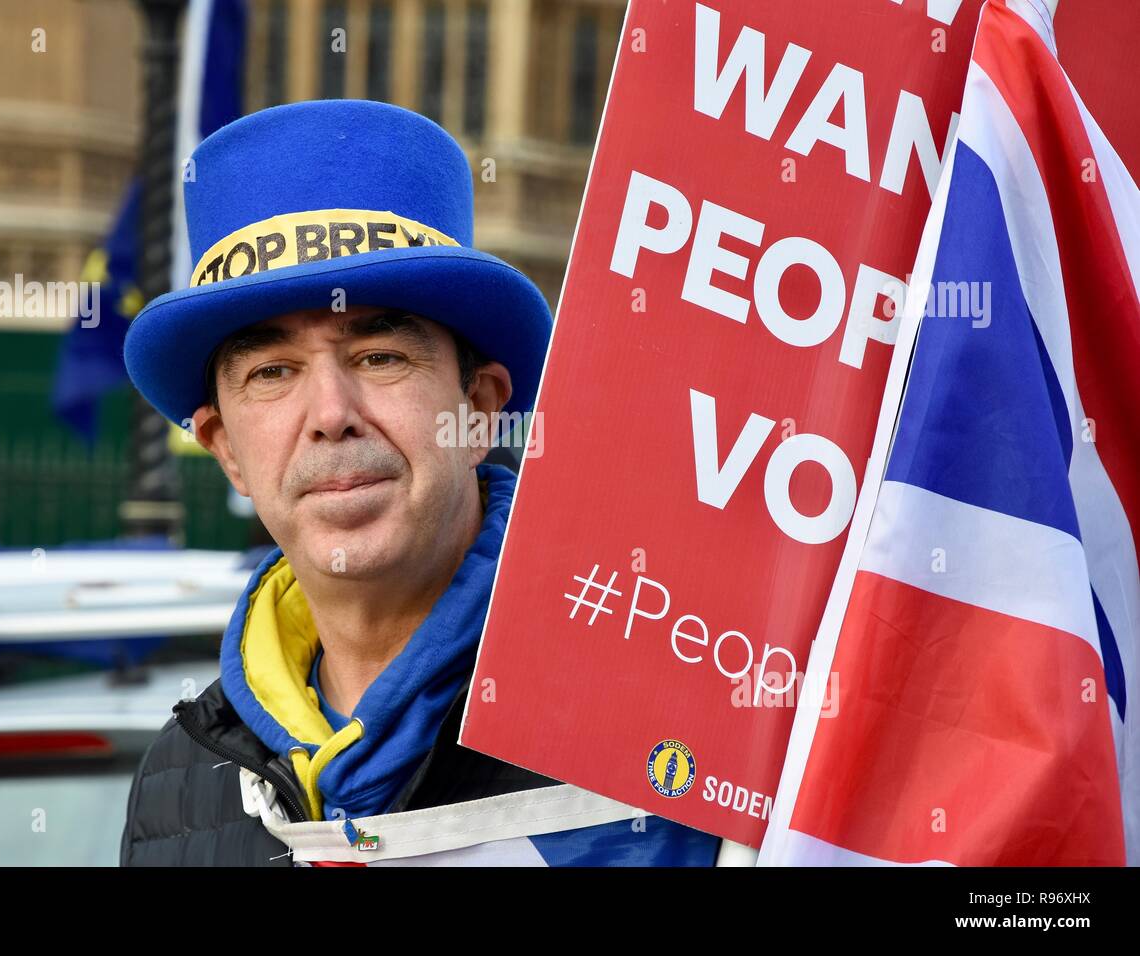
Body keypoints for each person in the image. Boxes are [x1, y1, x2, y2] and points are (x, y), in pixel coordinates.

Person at [119, 99, 721, 866]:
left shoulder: (674, 719)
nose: (331, 415)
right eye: (273, 373)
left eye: (379, 357)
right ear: (225, 449)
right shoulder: (181, 779)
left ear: (479, 408)